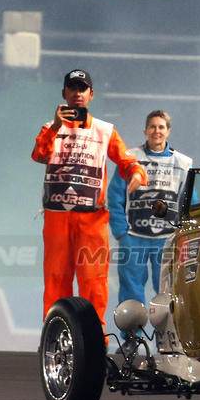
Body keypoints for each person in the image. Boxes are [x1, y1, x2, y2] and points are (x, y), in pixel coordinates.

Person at [32, 69, 146, 326]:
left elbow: (127, 161)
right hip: (58, 218)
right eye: (72, 88)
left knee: (93, 281)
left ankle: (95, 338)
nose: (77, 93)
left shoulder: (105, 131)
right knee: (56, 280)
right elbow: (39, 155)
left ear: (91, 95)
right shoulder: (50, 128)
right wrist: (57, 126)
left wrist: (136, 173)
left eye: (82, 89)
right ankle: (55, 334)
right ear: (64, 94)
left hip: (92, 220)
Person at [107, 110, 191, 312]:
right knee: (130, 291)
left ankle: (170, 339)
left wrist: (183, 234)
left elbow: (188, 203)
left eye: (161, 127)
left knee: (168, 291)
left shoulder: (183, 163)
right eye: (152, 127)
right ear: (145, 130)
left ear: (168, 131)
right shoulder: (130, 159)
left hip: (167, 238)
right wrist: (121, 233)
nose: (157, 131)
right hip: (134, 236)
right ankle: (132, 340)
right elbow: (114, 197)